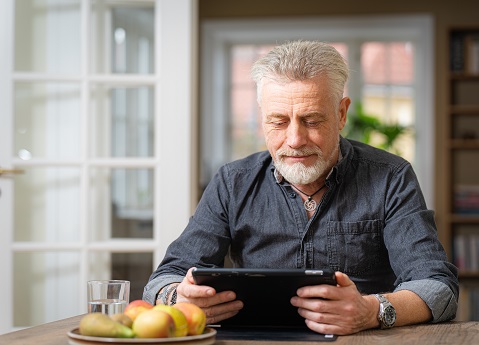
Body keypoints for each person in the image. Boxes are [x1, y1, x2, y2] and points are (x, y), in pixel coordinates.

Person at [143, 40, 458, 335]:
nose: (294, 140)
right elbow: (161, 281)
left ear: (341, 113)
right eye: (278, 122)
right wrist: (179, 298)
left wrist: (371, 310)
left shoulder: (391, 177)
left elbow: (438, 287)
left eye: (311, 120)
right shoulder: (232, 182)